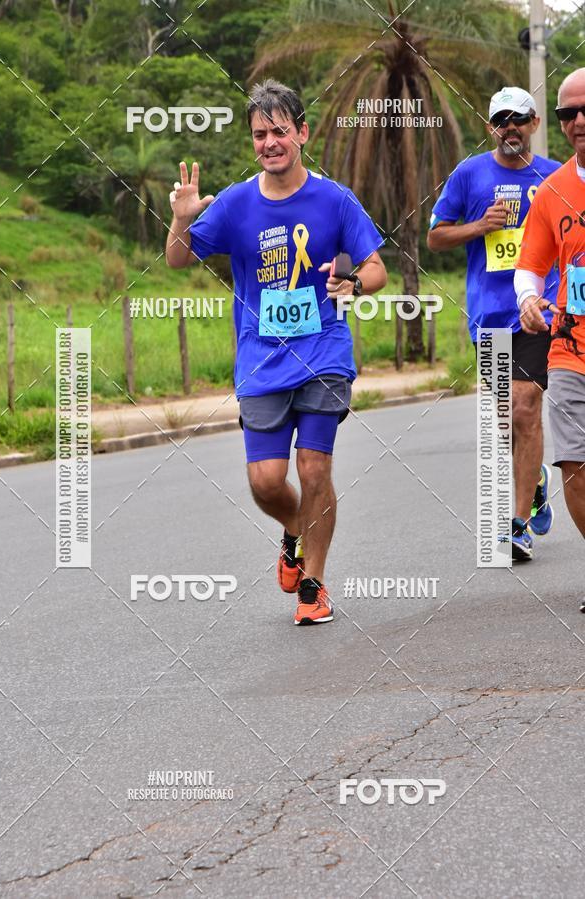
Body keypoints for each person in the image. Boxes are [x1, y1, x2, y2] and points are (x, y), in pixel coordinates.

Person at [166, 79, 387, 625]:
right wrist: (180, 217)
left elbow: (377, 268)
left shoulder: (334, 200)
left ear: (302, 133)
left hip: (324, 352)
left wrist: (354, 284)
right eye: (260, 134)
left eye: (279, 131)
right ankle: (294, 529)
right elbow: (176, 259)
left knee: (314, 469)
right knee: (266, 482)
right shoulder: (238, 203)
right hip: (262, 360)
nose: (269, 142)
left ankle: (313, 584)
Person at [427, 86, 560, 561]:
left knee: (526, 408)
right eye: (501, 120)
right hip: (489, 316)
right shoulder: (469, 175)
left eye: (518, 119)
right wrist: (479, 226)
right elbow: (436, 236)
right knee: (505, 424)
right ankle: (537, 478)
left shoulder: (555, 178)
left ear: (535, 125)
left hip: (539, 313)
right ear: (490, 128)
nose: (510, 127)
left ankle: (518, 524)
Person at [514, 69, 585, 605]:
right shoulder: (552, 190)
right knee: (574, 464)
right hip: (570, 347)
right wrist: (527, 300)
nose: (578, 122)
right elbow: (531, 265)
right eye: (567, 114)